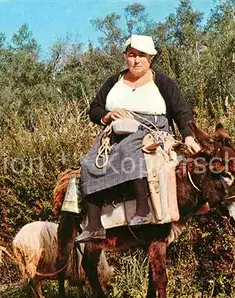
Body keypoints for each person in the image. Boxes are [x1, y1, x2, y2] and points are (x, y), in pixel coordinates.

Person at [76, 34, 201, 243]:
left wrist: (188, 136)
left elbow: (181, 111)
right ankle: (94, 225)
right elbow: (94, 109)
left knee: (130, 148)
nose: (136, 60)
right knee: (88, 163)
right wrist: (106, 115)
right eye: (132, 55)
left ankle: (142, 209)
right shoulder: (114, 81)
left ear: (150, 58)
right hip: (115, 132)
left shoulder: (161, 81)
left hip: (151, 130)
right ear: (125, 56)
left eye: (141, 56)